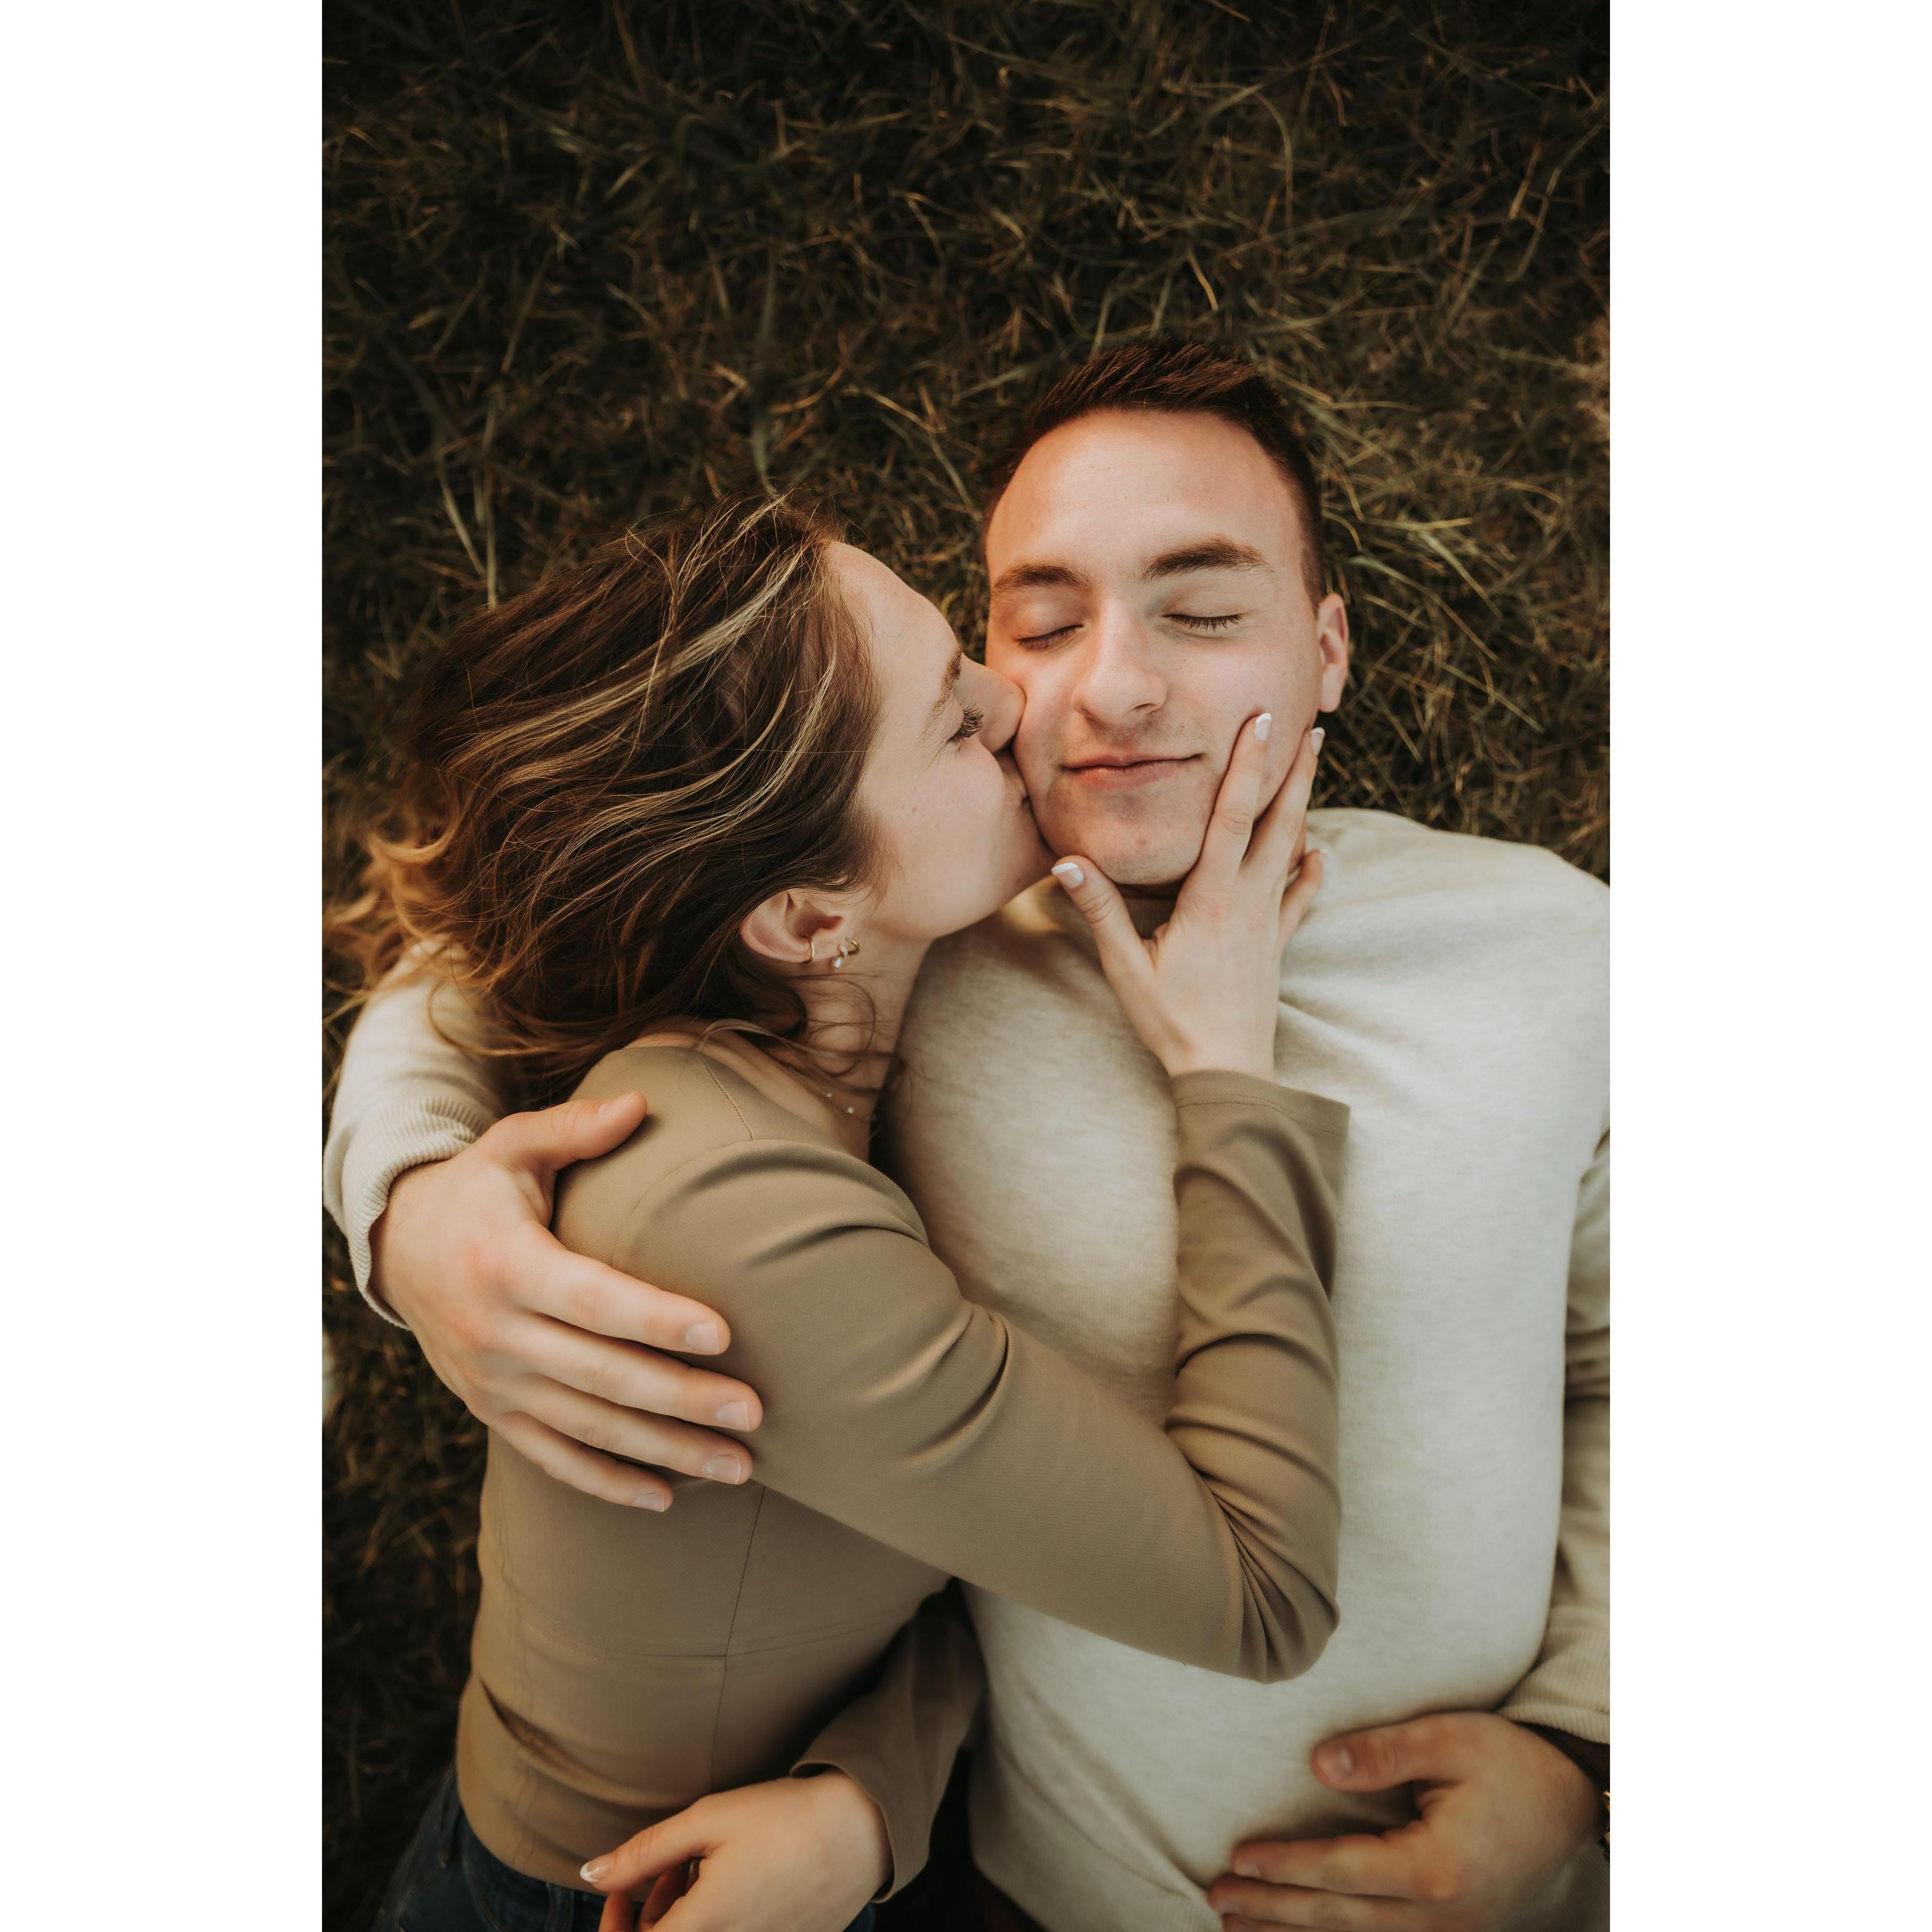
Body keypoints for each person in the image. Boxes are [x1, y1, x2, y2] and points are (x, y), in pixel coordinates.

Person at [327, 342, 1609, 1932]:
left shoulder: (1557, 950)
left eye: (1204, 612)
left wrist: (1587, 1760)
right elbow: (479, 956)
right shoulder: (912, 944)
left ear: (1330, 645)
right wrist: (415, 1207)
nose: (1102, 690)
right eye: (1041, 625)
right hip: (1015, 1891)